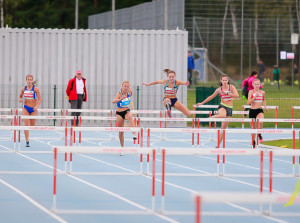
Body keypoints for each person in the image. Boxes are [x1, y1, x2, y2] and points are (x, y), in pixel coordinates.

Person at [196, 74, 239, 147]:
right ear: (221, 81)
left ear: (228, 81)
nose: (225, 82)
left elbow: (237, 95)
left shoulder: (231, 87)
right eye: (223, 80)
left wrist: (228, 93)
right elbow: (211, 97)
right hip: (223, 106)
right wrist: (202, 103)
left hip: (230, 108)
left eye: (226, 80)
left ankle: (218, 145)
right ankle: (206, 119)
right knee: (222, 115)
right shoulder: (219, 89)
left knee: (223, 129)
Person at [18, 74, 42, 147]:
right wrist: (20, 99)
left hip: (33, 109)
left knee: (32, 125)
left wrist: (36, 106)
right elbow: (20, 96)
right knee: (26, 125)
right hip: (26, 108)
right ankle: (27, 141)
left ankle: (27, 138)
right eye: (28, 79)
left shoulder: (36, 89)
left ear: (32, 80)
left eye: (30, 80)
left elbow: (40, 99)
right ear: (26, 80)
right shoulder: (23, 89)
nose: (29, 81)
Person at [112, 81, 137, 147]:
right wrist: (120, 99)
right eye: (125, 86)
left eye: (127, 86)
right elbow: (113, 101)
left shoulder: (129, 92)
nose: (126, 88)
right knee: (121, 131)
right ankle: (122, 147)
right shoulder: (119, 93)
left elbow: (131, 93)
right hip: (119, 113)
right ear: (122, 87)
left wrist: (131, 92)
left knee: (130, 117)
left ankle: (134, 134)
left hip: (126, 111)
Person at [247, 78, 268, 148]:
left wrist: (265, 106)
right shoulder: (251, 92)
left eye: (258, 84)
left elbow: (264, 100)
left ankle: (259, 133)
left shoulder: (262, 92)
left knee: (261, 121)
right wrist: (255, 96)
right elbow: (248, 102)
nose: (256, 85)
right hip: (252, 111)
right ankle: (253, 142)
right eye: (255, 84)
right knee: (253, 128)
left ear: (260, 85)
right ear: (253, 85)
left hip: (259, 110)